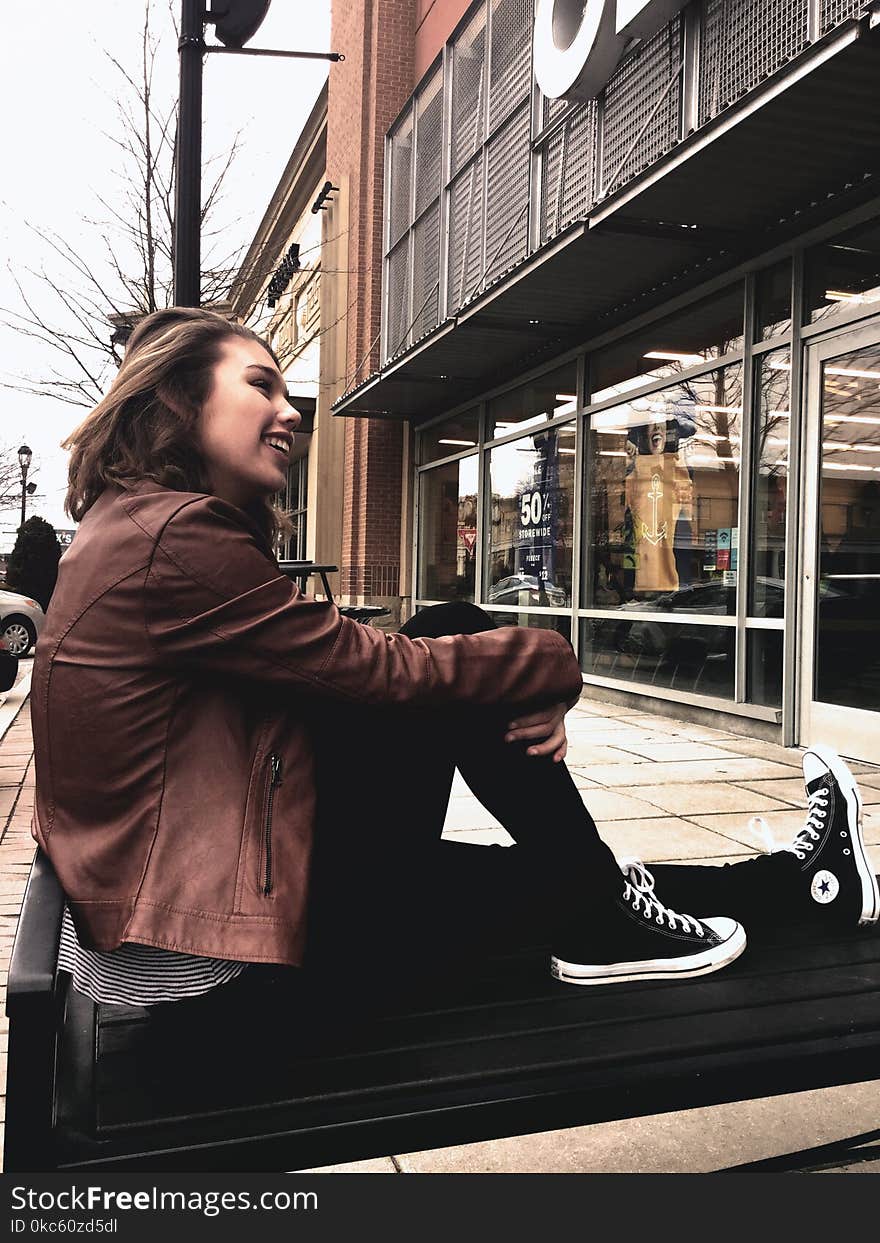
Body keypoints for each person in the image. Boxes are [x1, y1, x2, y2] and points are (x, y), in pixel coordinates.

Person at [32, 308, 878, 1026]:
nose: (291, 412)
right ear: (181, 396)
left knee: (524, 790)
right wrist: (549, 661)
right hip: (206, 955)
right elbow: (381, 672)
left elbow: (346, 670)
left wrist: (504, 675)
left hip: (183, 916)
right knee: (468, 674)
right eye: (262, 385)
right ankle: (786, 887)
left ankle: (787, 884)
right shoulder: (173, 538)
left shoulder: (136, 528)